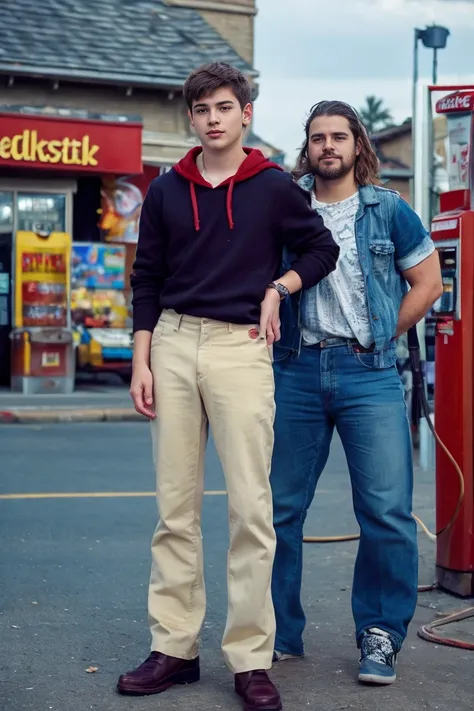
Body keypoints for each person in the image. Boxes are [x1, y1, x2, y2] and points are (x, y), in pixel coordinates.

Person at [117, 64, 339, 711]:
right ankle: (175, 648)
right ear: (191, 118)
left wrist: (279, 287)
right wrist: (142, 359)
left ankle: (249, 656)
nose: (212, 118)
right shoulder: (164, 192)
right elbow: (146, 280)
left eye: (223, 106)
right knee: (175, 508)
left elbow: (318, 250)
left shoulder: (271, 187)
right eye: (201, 109)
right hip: (176, 340)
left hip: (243, 346)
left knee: (251, 509)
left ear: (244, 112)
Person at [270, 100, 442, 686]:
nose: (328, 146)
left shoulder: (388, 209)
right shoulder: (285, 205)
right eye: (318, 137)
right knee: (278, 511)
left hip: (368, 373)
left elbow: (429, 281)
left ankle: (380, 635)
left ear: (357, 144)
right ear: (308, 147)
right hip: (294, 367)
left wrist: (383, 331)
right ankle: (277, 632)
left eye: (338, 137)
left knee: (387, 512)